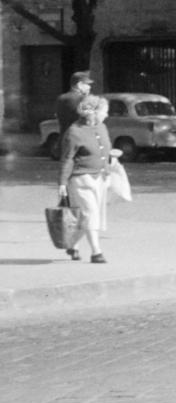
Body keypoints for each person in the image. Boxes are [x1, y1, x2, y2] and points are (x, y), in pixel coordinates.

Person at [57, 95, 114, 263]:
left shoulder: (101, 127)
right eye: (105, 111)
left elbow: (105, 149)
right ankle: (96, 252)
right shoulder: (74, 132)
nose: (107, 115)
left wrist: (109, 167)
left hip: (99, 177)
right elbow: (67, 158)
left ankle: (73, 245)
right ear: (94, 112)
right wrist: (62, 182)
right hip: (81, 179)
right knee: (90, 213)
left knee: (85, 215)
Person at [56, 71, 93, 137]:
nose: (89, 87)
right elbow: (88, 119)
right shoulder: (81, 99)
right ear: (80, 85)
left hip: (64, 137)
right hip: (79, 138)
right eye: (87, 84)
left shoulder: (61, 98)